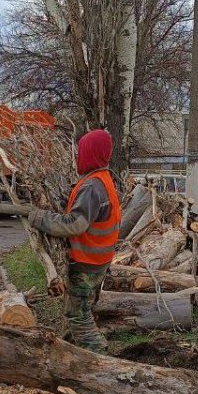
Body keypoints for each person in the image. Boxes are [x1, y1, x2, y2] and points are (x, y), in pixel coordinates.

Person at [28, 129, 121, 353]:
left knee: (77, 313)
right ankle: (72, 351)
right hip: (99, 259)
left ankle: (100, 360)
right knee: (83, 307)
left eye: (82, 151)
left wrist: (39, 217)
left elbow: (74, 224)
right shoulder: (102, 180)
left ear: (90, 153)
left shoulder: (91, 186)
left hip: (86, 261)